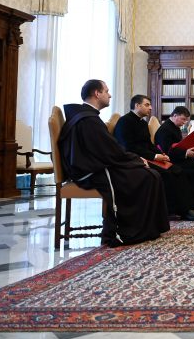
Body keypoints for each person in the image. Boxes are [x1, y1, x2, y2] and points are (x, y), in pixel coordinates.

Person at [57, 80, 169, 247]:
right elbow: (108, 151)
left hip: (96, 165)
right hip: (92, 171)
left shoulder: (89, 116)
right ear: (97, 94)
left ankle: (147, 227)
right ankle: (125, 231)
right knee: (147, 177)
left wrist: (135, 159)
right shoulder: (88, 119)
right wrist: (136, 159)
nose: (109, 95)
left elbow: (108, 149)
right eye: (106, 91)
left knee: (151, 175)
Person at [113, 95, 194, 221]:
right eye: (147, 105)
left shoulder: (143, 123)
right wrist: (155, 156)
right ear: (137, 105)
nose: (150, 108)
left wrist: (162, 154)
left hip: (148, 156)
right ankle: (179, 210)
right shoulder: (124, 122)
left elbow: (149, 144)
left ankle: (189, 206)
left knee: (178, 170)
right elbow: (128, 147)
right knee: (168, 174)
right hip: (136, 159)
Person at [154, 106, 194, 206]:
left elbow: (178, 145)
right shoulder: (165, 130)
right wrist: (185, 153)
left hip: (180, 156)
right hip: (171, 159)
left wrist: (187, 150)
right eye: (183, 119)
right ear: (175, 115)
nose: (185, 122)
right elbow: (166, 150)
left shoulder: (175, 127)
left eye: (186, 120)